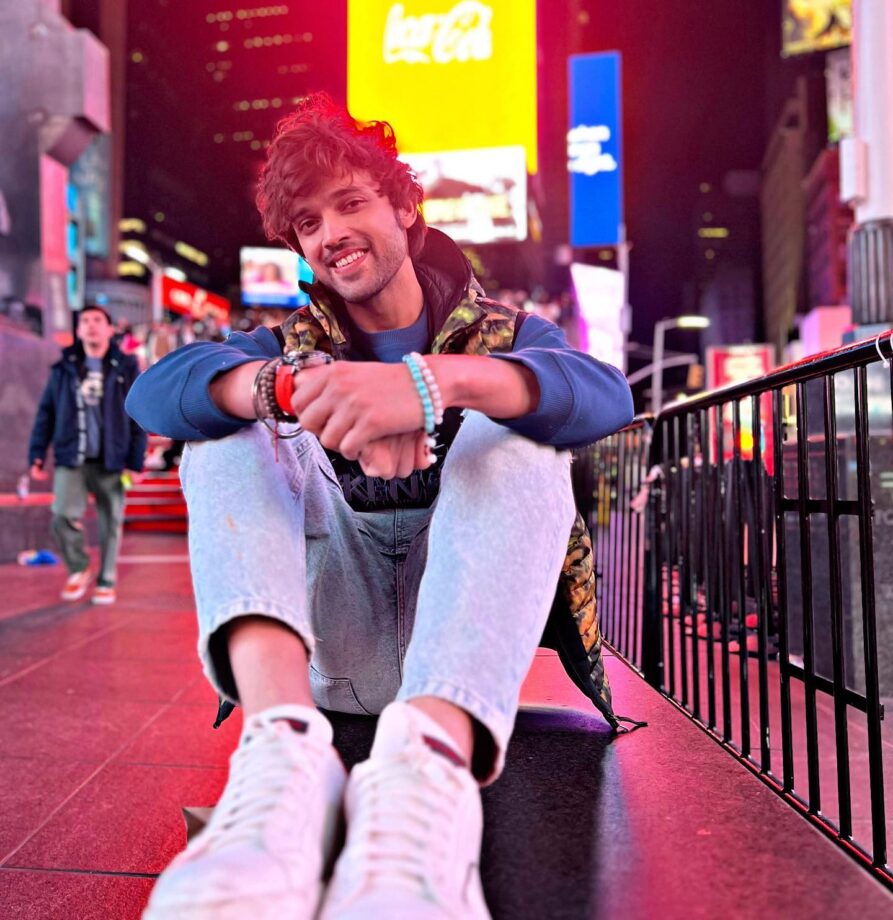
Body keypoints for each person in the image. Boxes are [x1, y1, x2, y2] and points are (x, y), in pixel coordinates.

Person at [127, 92, 634, 920]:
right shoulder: (289, 343)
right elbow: (155, 395)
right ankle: (281, 754)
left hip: (463, 647)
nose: (331, 234)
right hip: (332, 651)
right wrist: (290, 389)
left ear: (405, 208)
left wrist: (429, 387)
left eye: (351, 203)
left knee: (519, 428)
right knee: (222, 419)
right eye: (307, 224)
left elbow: (603, 397)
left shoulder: (507, 331)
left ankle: (425, 774)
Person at [28, 304, 147, 605]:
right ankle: (79, 567)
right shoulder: (64, 367)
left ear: (109, 329)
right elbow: (47, 412)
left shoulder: (126, 366)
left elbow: (138, 414)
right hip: (72, 457)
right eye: (85, 321)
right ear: (78, 330)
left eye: (97, 320)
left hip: (111, 458)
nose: (91, 326)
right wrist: (37, 453)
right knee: (61, 516)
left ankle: (106, 580)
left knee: (111, 522)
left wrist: (135, 459)